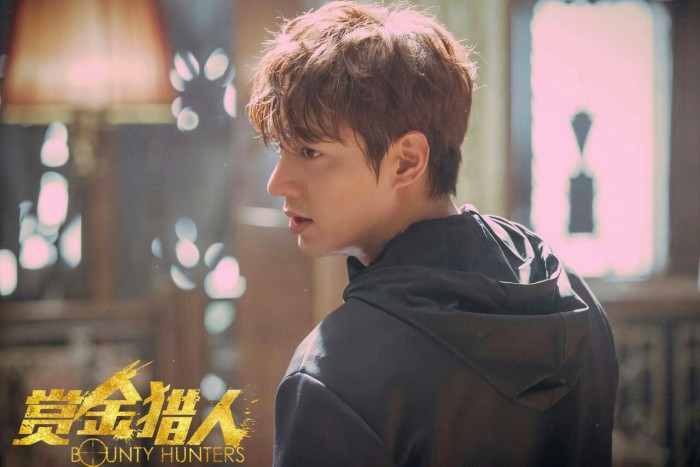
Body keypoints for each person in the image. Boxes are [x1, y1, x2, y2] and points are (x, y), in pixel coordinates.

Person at [246, 1, 618, 465]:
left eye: (309, 151)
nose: (277, 183)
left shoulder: (333, 372)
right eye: (280, 151)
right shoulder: (575, 304)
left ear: (407, 160)